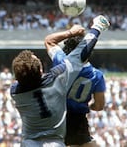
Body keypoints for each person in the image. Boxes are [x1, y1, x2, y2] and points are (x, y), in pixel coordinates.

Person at [10, 15, 110, 147]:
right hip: (57, 140)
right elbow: (80, 55)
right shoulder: (56, 79)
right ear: (41, 71)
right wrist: (97, 27)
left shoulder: (15, 92)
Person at [44, 25, 106, 147]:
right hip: (79, 121)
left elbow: (49, 41)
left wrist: (70, 32)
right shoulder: (97, 75)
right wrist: (89, 105)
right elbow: (99, 105)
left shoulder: (61, 61)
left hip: (58, 118)